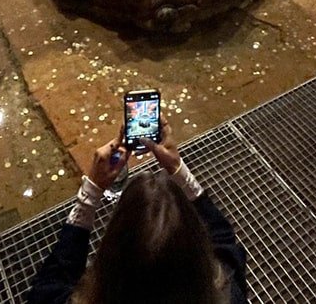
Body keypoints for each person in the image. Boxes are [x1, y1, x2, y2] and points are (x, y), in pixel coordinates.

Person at [28, 117, 247, 304]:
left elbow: (51, 283)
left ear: (110, 256)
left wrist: (92, 191)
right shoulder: (228, 295)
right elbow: (223, 240)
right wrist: (178, 169)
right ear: (198, 253)